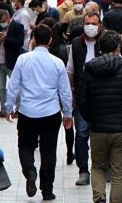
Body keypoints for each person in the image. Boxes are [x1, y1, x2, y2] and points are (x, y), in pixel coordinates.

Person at [5, 25, 73, 200]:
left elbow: (13, 85)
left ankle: (30, 170)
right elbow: (64, 91)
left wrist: (9, 107)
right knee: (49, 151)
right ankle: (47, 190)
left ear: (33, 39)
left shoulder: (23, 59)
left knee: (25, 146)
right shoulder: (57, 62)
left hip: (28, 112)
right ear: (50, 40)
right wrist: (67, 113)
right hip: (51, 113)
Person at [78, 30, 122, 203]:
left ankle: (99, 197)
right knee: (119, 174)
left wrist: (91, 118)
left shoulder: (89, 70)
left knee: (97, 167)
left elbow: (82, 100)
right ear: (118, 47)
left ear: (100, 47)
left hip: (98, 128)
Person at [67, 12, 104, 186]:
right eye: (87, 23)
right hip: (82, 97)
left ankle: (103, 167)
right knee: (81, 134)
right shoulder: (76, 44)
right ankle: (83, 170)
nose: (90, 26)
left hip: (103, 97)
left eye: (94, 23)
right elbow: (70, 70)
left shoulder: (106, 42)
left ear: (100, 25)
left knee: (102, 134)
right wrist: (72, 93)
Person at [45, 20, 75, 165]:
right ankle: (70, 152)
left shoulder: (50, 49)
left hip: (51, 91)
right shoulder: (68, 48)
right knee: (69, 123)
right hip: (65, 89)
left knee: (51, 124)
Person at [0, 9, 24, 118]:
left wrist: (6, 39)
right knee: (1, 88)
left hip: (11, 61)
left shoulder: (18, 26)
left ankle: (19, 109)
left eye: (4, 21)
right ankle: (3, 110)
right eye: (0, 21)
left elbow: (20, 42)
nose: (2, 23)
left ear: (9, 18)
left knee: (15, 87)